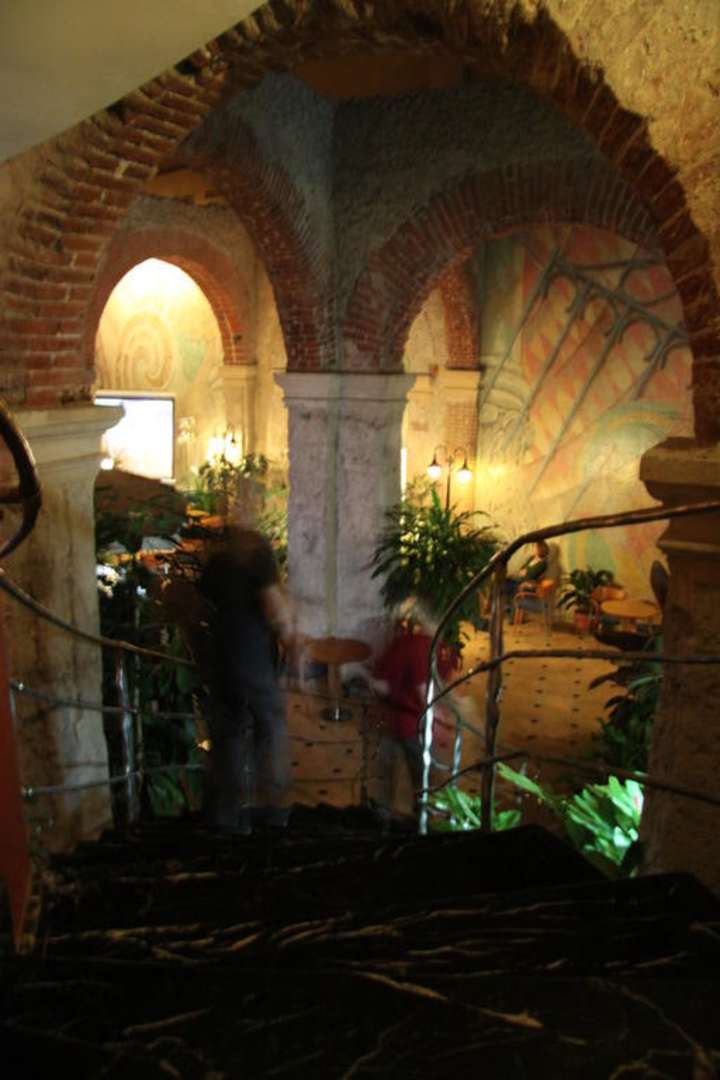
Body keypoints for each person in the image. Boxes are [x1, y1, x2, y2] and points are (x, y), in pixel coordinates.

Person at [196, 500, 300, 835]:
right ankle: (273, 812)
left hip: (221, 657)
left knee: (228, 735)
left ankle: (226, 819)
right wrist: (291, 641)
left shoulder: (217, 558)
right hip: (253, 655)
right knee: (271, 728)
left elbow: (200, 606)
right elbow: (274, 607)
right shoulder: (256, 551)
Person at [368, 602, 460, 822]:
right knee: (422, 777)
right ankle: (421, 821)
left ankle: (382, 820)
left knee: (385, 777)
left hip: (386, 718)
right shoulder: (424, 649)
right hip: (408, 722)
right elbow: (424, 695)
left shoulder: (410, 643)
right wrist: (441, 721)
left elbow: (381, 683)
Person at [505, 540, 549, 610]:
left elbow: (531, 575)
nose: (533, 548)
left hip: (528, 586)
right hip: (521, 581)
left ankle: (510, 609)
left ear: (540, 549)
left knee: (511, 588)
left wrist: (526, 571)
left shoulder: (543, 563)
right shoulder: (531, 558)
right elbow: (521, 569)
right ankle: (507, 606)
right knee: (506, 581)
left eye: (534, 547)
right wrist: (525, 571)